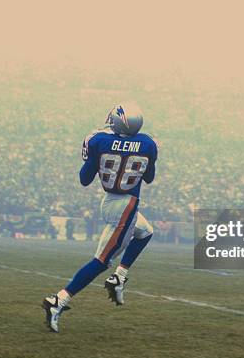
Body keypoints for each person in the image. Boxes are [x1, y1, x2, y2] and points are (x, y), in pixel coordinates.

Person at [43, 103, 158, 332]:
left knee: (145, 232)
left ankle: (120, 277)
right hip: (126, 206)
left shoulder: (100, 141)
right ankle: (58, 301)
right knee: (101, 261)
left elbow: (85, 179)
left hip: (111, 201)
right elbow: (149, 178)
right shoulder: (148, 144)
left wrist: (92, 155)